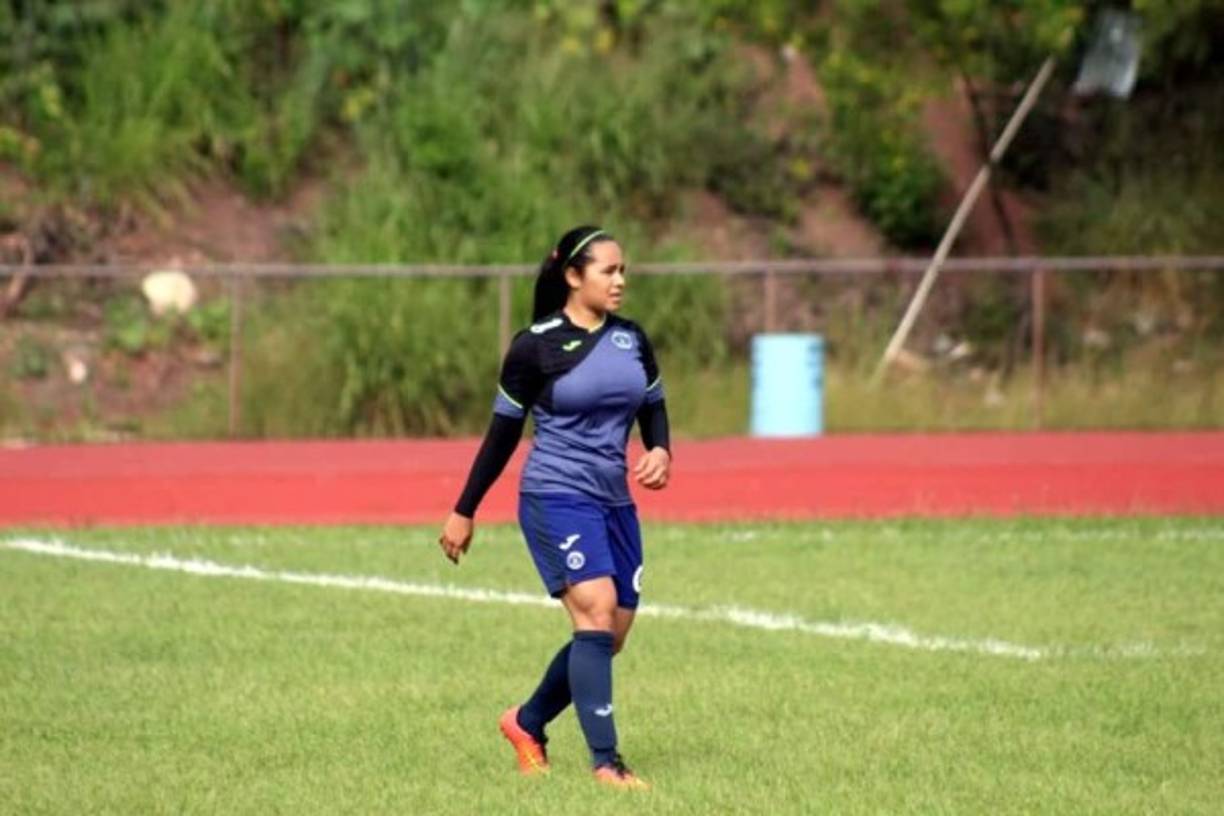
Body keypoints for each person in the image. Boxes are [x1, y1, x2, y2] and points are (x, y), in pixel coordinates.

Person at [438, 225, 671, 790]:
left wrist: (661, 449)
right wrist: (464, 508)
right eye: (607, 271)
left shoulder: (632, 339)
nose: (619, 281)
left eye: (623, 271)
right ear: (573, 276)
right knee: (595, 609)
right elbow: (500, 436)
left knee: (610, 633)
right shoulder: (534, 346)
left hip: (614, 501)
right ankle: (607, 763)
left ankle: (526, 722)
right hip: (555, 494)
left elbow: (654, 406)